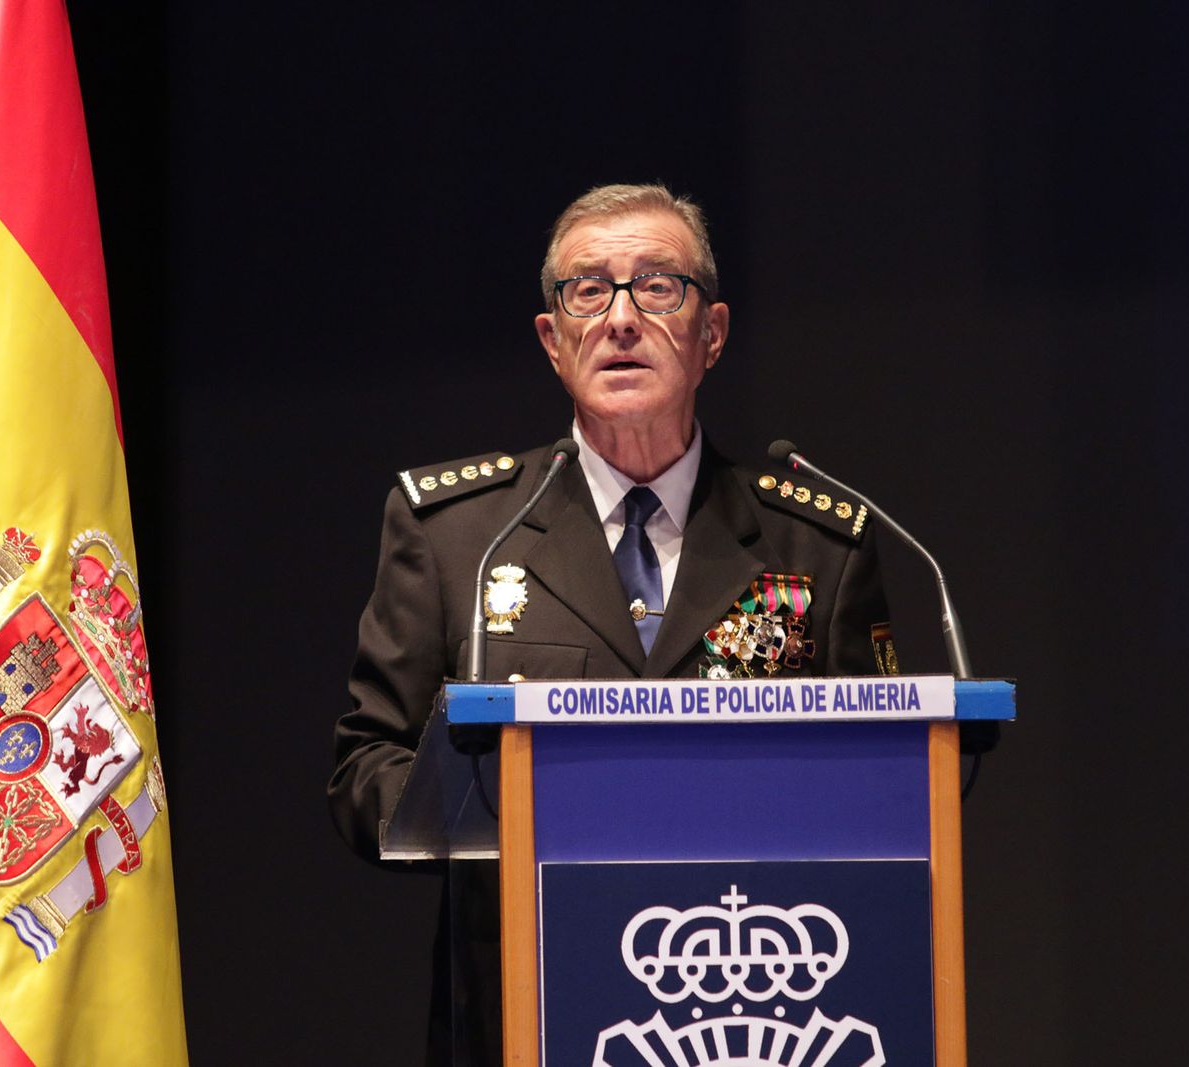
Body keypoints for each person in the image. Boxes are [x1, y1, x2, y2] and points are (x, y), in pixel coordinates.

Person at [328, 184, 896, 1064]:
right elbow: (367, 765)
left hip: (756, 1007)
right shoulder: (459, 535)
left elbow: (890, 779)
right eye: (588, 291)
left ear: (712, 334)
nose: (621, 318)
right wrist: (507, 816)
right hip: (523, 1010)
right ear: (553, 341)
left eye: (658, 286)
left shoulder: (817, 544)